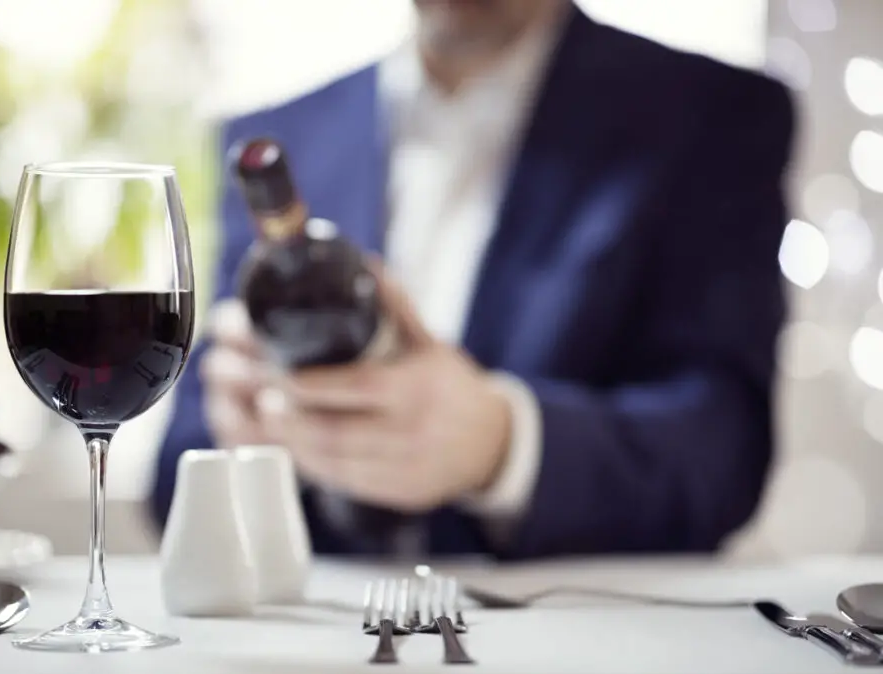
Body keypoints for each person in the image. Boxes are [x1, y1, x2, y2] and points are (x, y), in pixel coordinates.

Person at [150, 0, 796, 560]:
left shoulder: (711, 115)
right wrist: (240, 435)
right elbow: (173, 476)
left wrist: (502, 442)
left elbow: (724, 450)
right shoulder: (277, 139)